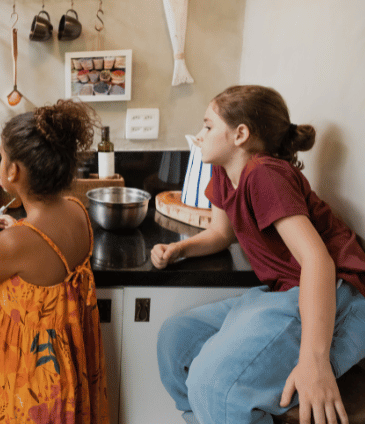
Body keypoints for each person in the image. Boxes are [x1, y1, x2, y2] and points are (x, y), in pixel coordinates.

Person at [152, 85, 365, 424]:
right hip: (286, 293)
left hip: (339, 295)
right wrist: (179, 248)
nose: (200, 134)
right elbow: (222, 234)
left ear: (240, 134)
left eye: (208, 126)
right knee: (176, 339)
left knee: (213, 385)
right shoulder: (224, 172)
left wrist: (314, 361)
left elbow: (317, 261)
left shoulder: (265, 174)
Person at [0, 99, 110, 423]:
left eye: (1, 157)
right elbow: (46, 250)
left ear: (12, 171)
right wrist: (19, 231)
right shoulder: (77, 209)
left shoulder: (15, 242)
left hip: (32, 371)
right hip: (68, 360)